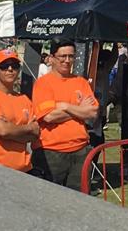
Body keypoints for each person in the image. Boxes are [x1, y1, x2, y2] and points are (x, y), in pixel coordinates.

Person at [31, 39, 99, 190]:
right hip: (51, 152)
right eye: (63, 56)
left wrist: (65, 106)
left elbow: (93, 112)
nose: (67, 60)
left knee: (79, 201)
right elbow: (49, 116)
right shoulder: (43, 84)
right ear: (52, 58)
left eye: (71, 56)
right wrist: (79, 110)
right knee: (49, 199)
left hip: (80, 151)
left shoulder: (81, 82)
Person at [0, 51, 40, 172]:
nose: (10, 69)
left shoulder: (24, 99)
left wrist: (11, 130)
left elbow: (35, 134)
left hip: (22, 170)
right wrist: (27, 127)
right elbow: (3, 130)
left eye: (14, 66)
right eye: (4, 66)